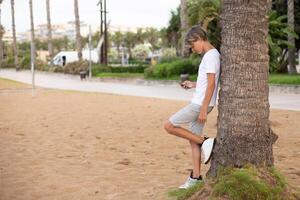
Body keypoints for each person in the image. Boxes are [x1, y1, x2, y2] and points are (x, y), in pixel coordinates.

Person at [164, 25, 220, 189]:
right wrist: (194, 84)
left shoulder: (210, 56)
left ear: (199, 38)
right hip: (201, 102)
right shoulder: (213, 54)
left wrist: (203, 109)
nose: (192, 48)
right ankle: (195, 178)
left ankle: (206, 142)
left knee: (169, 125)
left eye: (192, 44)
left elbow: (211, 85)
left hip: (199, 104)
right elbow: (207, 83)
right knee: (192, 141)